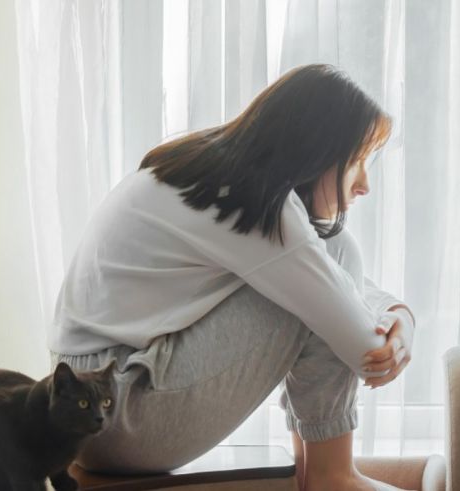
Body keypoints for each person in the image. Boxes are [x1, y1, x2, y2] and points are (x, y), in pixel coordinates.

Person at [48, 64, 415, 491]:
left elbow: (327, 271)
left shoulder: (211, 174)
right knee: (315, 284)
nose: (365, 184)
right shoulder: (261, 206)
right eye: (356, 162)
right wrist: (392, 333)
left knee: (334, 252)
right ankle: (331, 476)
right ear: (317, 152)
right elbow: (360, 345)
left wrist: (396, 312)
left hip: (84, 404)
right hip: (122, 414)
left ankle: (318, 472)